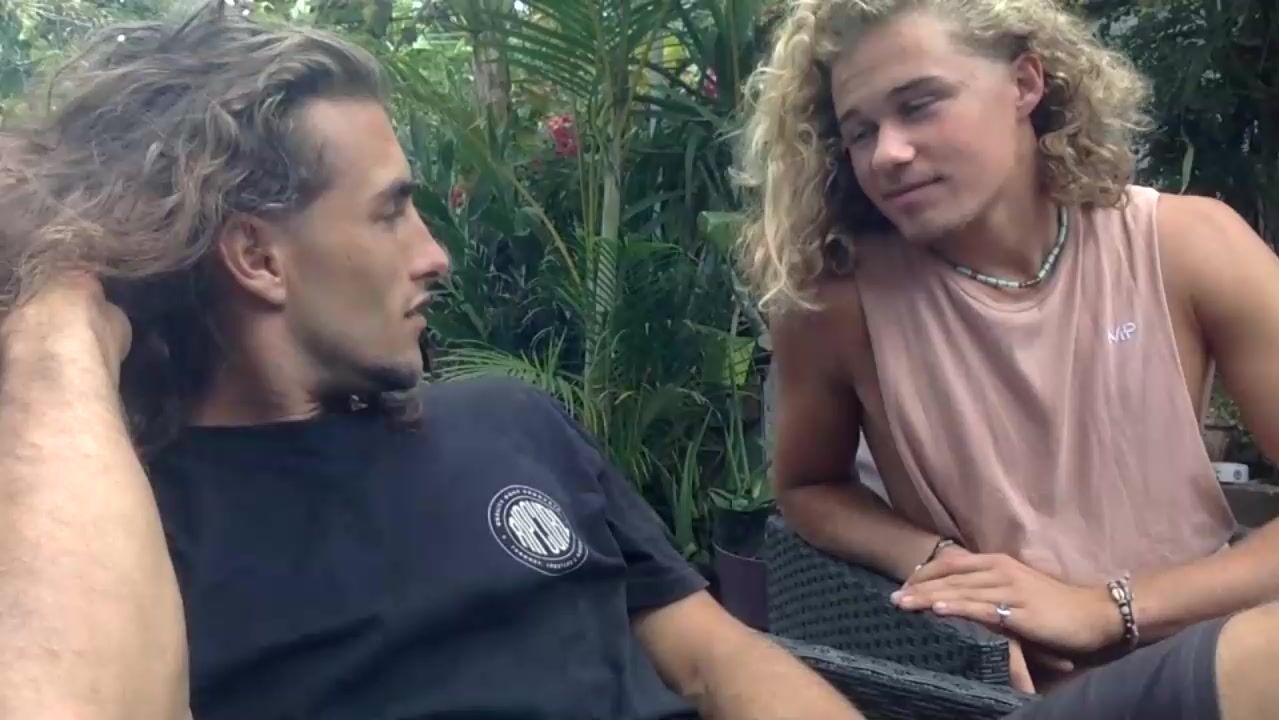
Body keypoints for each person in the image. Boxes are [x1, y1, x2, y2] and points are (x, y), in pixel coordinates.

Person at [0, 2, 862, 719]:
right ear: (258, 258)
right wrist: (57, 314)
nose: (435, 255)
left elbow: (716, 659)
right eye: (390, 213)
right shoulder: (126, 539)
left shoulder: (514, 421)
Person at [735, 0, 1279, 714]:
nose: (888, 153)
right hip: (1014, 695)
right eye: (860, 131)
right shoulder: (838, 304)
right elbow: (809, 488)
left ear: (1025, 84)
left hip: (1217, 655)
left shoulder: (1188, 247)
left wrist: (1106, 607)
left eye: (919, 105)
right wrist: (940, 563)